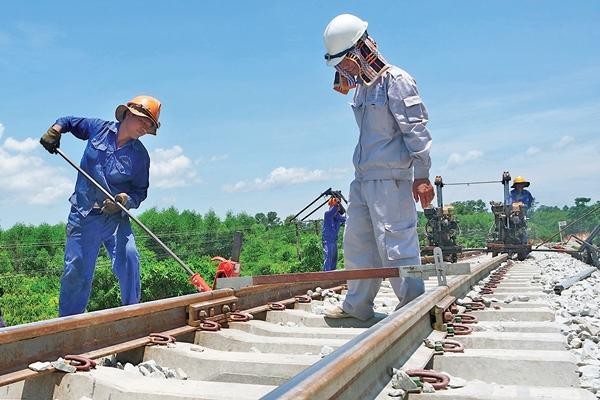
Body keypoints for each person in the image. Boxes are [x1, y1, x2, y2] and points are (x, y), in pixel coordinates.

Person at [322, 14, 434, 320]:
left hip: (391, 179)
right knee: (358, 245)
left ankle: (413, 307)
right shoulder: (362, 88)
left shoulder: (397, 82)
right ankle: (357, 306)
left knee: (396, 244)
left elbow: (417, 131)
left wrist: (422, 174)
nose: (344, 70)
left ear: (360, 50)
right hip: (363, 179)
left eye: (345, 62)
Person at [39, 95, 161, 317]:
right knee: (76, 270)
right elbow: (66, 121)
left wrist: (124, 200)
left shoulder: (141, 156)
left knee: (130, 258)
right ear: (128, 114)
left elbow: (140, 192)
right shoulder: (98, 129)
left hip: (115, 218)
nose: (145, 128)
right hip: (84, 214)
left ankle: (131, 315)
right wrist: (55, 130)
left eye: (150, 125)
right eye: (143, 121)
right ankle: (69, 325)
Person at [322, 197, 346, 271]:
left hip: (334, 241)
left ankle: (333, 275)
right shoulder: (327, 214)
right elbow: (333, 211)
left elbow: (346, 219)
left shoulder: (337, 217)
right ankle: (327, 275)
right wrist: (337, 203)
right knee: (328, 257)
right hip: (327, 241)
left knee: (334, 258)